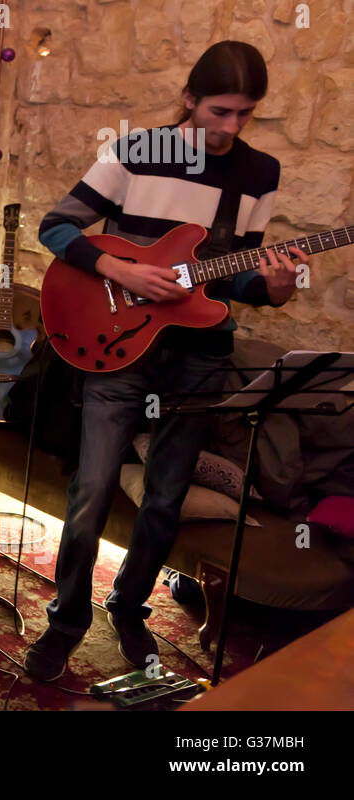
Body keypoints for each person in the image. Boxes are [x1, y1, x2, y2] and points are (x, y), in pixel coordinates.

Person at [26, 41, 307, 682]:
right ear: (189, 99)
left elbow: (232, 278)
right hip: (120, 351)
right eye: (220, 112)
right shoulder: (134, 152)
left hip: (198, 358)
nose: (231, 128)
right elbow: (57, 226)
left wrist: (276, 287)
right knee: (91, 491)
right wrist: (122, 268)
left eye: (245, 114)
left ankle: (129, 607)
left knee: (165, 499)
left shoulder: (258, 174)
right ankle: (65, 621)